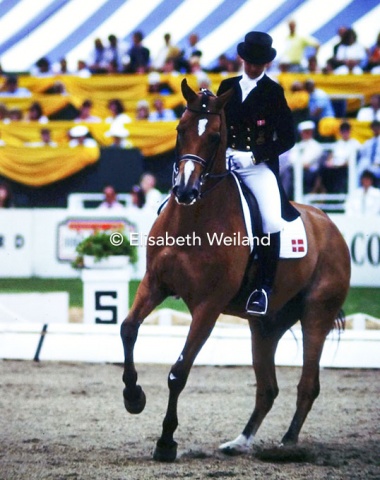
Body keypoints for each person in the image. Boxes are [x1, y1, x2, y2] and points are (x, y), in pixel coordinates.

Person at [216, 31, 298, 316]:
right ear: (242, 59)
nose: (253, 67)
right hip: (224, 163)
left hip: (257, 166)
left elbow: (288, 137)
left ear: (266, 64)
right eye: (250, 62)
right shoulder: (227, 86)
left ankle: (263, 288)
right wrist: (223, 154)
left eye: (259, 63)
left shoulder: (273, 92)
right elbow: (216, 127)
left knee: (272, 220)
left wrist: (254, 156)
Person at [320, 121, 361, 193]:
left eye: (346, 130)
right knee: (323, 170)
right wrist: (329, 162)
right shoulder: (337, 143)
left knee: (340, 174)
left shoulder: (355, 143)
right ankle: (327, 193)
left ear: (350, 131)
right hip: (335, 166)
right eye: (343, 131)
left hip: (346, 167)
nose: (345, 133)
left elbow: (355, 159)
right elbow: (331, 156)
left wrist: (342, 164)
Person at [288, 120, 324, 194]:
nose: (306, 134)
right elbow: (291, 160)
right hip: (296, 170)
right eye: (304, 132)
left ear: (312, 132)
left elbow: (310, 160)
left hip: (311, 173)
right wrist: (301, 164)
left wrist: (300, 164)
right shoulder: (297, 146)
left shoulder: (316, 146)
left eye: (308, 131)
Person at [357, 120, 380, 186]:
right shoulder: (368, 142)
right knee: (361, 168)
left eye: (377, 127)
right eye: (374, 127)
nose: (375, 129)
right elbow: (363, 155)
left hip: (378, 166)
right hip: (370, 167)